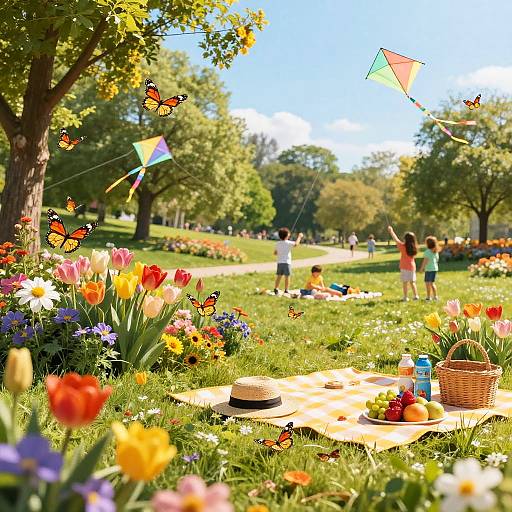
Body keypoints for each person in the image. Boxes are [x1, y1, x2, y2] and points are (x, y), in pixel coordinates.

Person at [387, 225, 419, 301]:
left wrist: (391, 231)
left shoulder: (402, 247)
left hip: (404, 267)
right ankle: (416, 296)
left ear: (405, 239)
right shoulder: (415, 248)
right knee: (412, 282)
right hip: (412, 267)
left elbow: (396, 239)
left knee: (405, 283)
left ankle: (405, 297)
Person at [274, 227, 303, 295]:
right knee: (287, 276)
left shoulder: (277, 243)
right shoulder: (288, 243)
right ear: (287, 235)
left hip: (279, 262)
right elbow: (296, 244)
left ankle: (276, 288)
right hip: (287, 263)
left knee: (279, 276)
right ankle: (286, 290)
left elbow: (275, 253)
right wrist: (299, 236)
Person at [419, 236, 440, 301]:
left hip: (429, 270)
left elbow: (425, 261)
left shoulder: (427, 252)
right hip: (434, 269)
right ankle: (435, 296)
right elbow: (437, 259)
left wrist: (421, 269)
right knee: (432, 283)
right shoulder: (435, 251)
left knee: (428, 283)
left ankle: (428, 297)